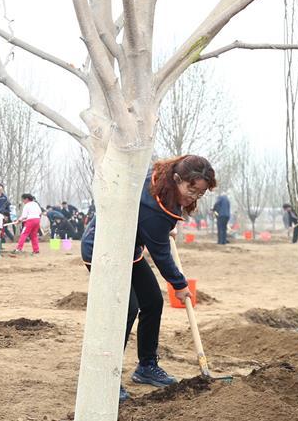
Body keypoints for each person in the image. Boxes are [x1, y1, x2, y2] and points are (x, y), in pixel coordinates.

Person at [82, 155, 216, 401]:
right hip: (102, 251)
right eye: (191, 189)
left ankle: (146, 367)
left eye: (200, 193)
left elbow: (153, 227)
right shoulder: (153, 206)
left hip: (127, 251)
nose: (194, 197)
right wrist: (180, 285)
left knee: (153, 301)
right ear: (177, 178)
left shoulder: (161, 183)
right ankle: (105, 377)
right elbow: (161, 254)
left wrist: (166, 227)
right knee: (127, 308)